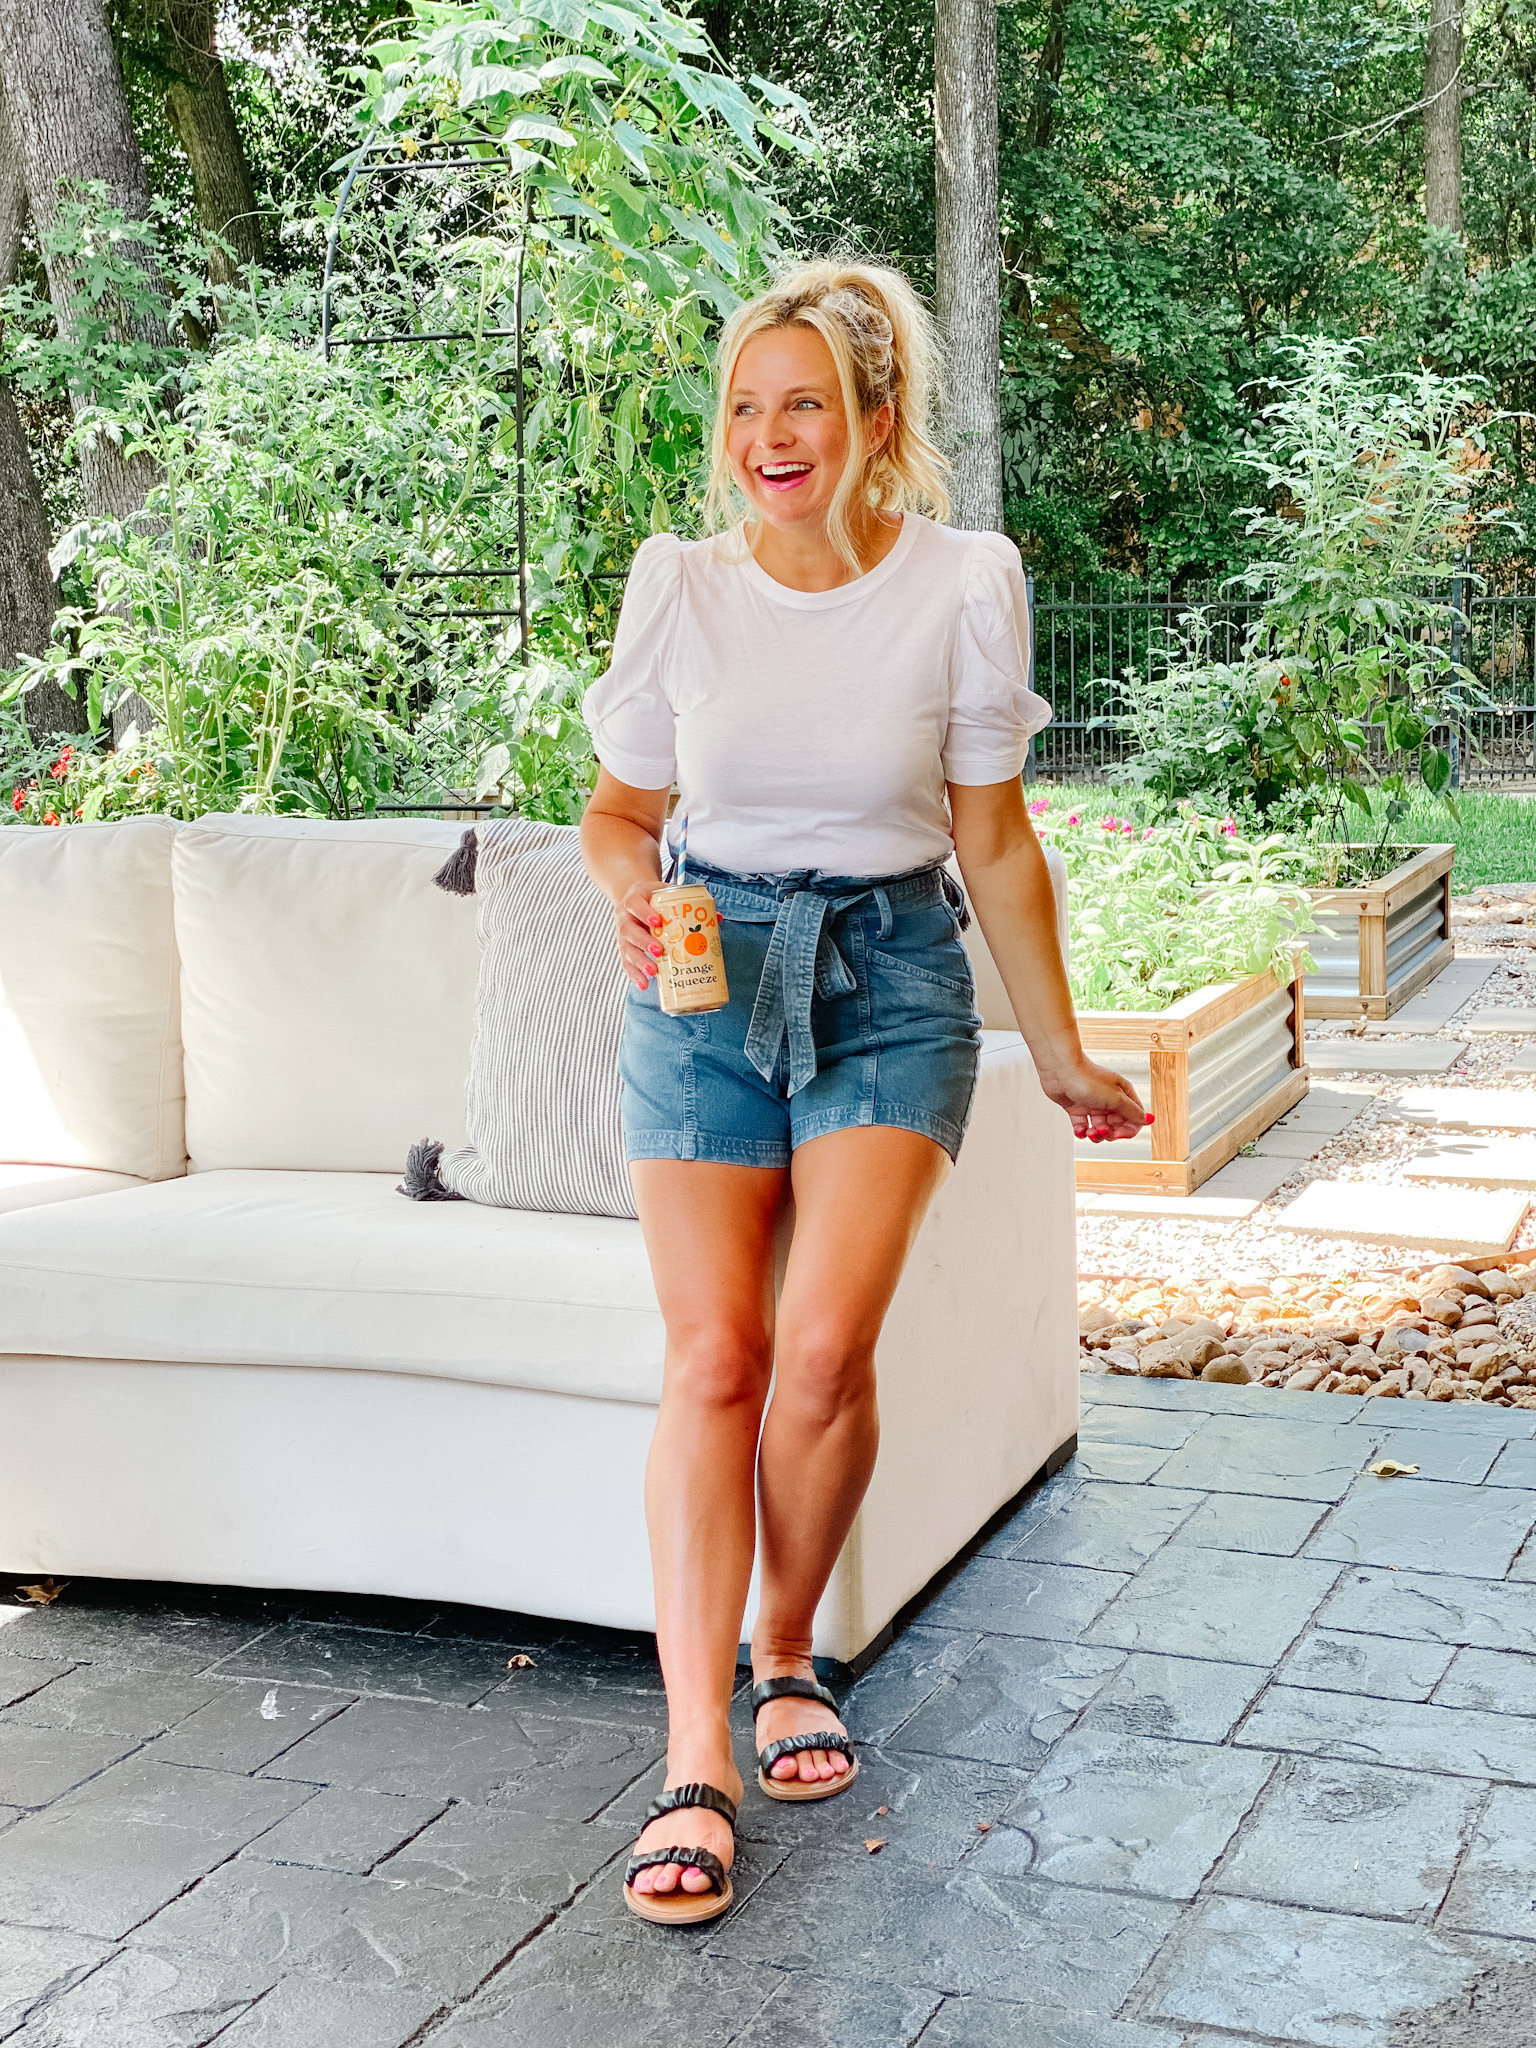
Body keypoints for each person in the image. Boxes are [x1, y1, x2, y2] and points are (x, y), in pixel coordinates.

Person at [579, 259, 1147, 1926]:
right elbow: (618, 808)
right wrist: (628, 885)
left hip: (891, 973)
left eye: (804, 402)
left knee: (821, 1353)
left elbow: (994, 837)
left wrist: (1057, 1053)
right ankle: (695, 1762)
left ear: (874, 420)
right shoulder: (678, 586)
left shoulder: (966, 584)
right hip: (701, 970)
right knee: (716, 1355)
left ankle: (785, 1644)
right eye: (746, 408)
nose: (770, 435)